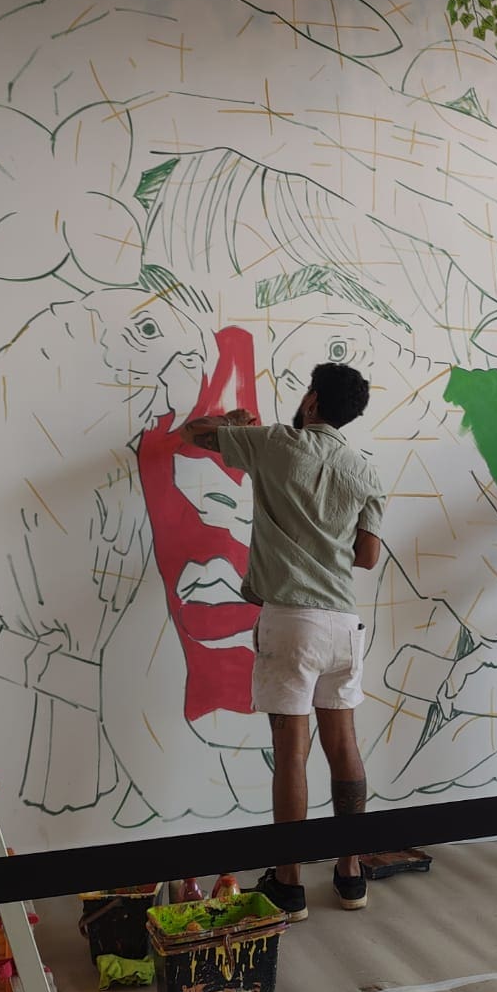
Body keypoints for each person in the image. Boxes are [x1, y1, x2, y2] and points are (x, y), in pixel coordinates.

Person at [179, 362, 386, 918]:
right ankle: (350, 875)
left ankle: (290, 884)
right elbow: (367, 556)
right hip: (344, 623)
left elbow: (191, 434)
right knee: (343, 744)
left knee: (292, 751)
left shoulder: (274, 443)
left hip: (292, 621)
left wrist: (229, 421)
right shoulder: (365, 471)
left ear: (313, 400)